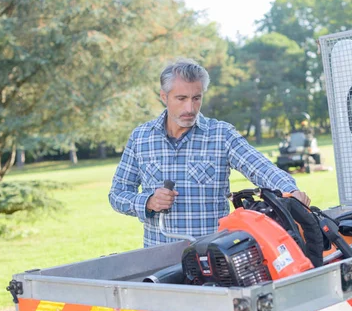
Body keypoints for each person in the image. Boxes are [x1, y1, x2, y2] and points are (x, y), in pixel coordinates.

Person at [109, 58, 311, 247]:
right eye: (181, 98)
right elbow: (117, 194)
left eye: (196, 98)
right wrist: (148, 201)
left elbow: (260, 167)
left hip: (211, 256)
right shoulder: (141, 137)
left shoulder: (221, 135)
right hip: (159, 258)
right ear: (164, 97)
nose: (190, 107)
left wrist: (289, 191)